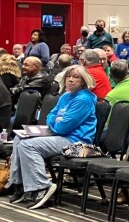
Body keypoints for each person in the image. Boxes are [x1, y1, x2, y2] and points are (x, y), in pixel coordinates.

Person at [3, 64, 97, 209]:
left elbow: (63, 127)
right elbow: (50, 116)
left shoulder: (84, 99)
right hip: (59, 135)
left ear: (84, 80)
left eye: (75, 77)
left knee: (29, 145)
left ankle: (42, 186)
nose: (71, 80)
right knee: (19, 138)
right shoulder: (66, 96)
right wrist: (56, 121)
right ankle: (19, 183)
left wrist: (57, 122)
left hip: (77, 142)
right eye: (68, 77)